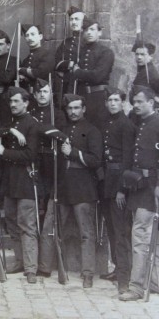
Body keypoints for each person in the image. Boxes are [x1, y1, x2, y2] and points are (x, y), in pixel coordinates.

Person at [0, 87, 40, 283]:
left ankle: (30, 268)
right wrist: (10, 130)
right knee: (11, 224)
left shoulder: (32, 125)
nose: (12, 105)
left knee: (26, 225)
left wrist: (5, 153)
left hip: (26, 182)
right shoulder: (12, 123)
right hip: (10, 183)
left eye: (16, 101)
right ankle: (20, 261)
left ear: (26, 103)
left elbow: (30, 155)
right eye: (11, 102)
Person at [58, 94, 102, 288]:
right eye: (70, 108)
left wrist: (73, 153)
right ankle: (60, 267)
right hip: (63, 186)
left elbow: (95, 160)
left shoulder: (92, 131)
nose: (73, 112)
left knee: (86, 233)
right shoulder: (64, 130)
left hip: (84, 187)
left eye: (77, 108)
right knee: (58, 229)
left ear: (84, 109)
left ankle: (88, 273)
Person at [119, 86, 159, 301]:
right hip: (140, 186)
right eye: (134, 101)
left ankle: (136, 288)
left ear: (152, 102)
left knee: (141, 236)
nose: (135, 105)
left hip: (152, 189)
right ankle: (153, 283)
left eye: (140, 101)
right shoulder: (140, 124)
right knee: (148, 236)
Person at [29, 79, 67, 278]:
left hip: (53, 163)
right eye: (39, 92)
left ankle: (48, 260)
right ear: (34, 95)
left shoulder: (58, 114)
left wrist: (44, 130)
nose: (42, 95)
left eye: (45, 91)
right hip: (36, 161)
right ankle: (34, 259)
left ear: (50, 93)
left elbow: (62, 136)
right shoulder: (32, 114)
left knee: (50, 213)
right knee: (37, 209)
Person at [99, 88, 134, 294]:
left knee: (121, 230)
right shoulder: (106, 123)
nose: (112, 103)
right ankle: (117, 267)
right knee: (111, 228)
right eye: (109, 100)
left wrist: (122, 189)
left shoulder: (126, 125)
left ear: (123, 103)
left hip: (118, 183)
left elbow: (128, 159)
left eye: (116, 100)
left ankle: (124, 277)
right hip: (106, 182)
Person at [68, 18, 115, 129]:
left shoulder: (106, 52)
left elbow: (98, 76)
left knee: (97, 129)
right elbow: (72, 78)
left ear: (99, 32)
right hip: (81, 97)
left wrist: (78, 72)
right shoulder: (80, 53)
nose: (89, 33)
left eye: (92, 29)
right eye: (86, 30)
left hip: (98, 99)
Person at [55, 6, 85, 102]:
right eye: (71, 19)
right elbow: (56, 62)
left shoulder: (87, 42)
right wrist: (69, 64)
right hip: (66, 84)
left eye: (77, 19)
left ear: (84, 21)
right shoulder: (65, 42)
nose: (74, 22)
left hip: (81, 85)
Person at [0, 29, 17, 124]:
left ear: (8, 46)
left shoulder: (13, 60)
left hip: (9, 102)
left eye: (1, 44)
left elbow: (7, 78)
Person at [19, 24, 55, 93]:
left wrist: (22, 70)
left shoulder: (47, 54)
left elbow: (40, 74)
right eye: (27, 35)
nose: (29, 38)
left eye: (33, 34)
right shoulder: (25, 60)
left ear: (40, 36)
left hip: (42, 95)